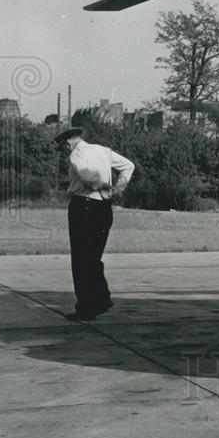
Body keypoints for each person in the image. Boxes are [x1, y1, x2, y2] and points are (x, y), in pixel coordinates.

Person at [54, 127, 134, 321]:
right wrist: (119, 187)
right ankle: (100, 298)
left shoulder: (76, 156)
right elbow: (128, 165)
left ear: (67, 143)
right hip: (104, 208)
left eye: (63, 148)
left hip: (84, 207)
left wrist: (106, 186)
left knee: (81, 259)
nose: (65, 152)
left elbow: (90, 179)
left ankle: (87, 307)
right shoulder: (102, 150)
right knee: (94, 256)